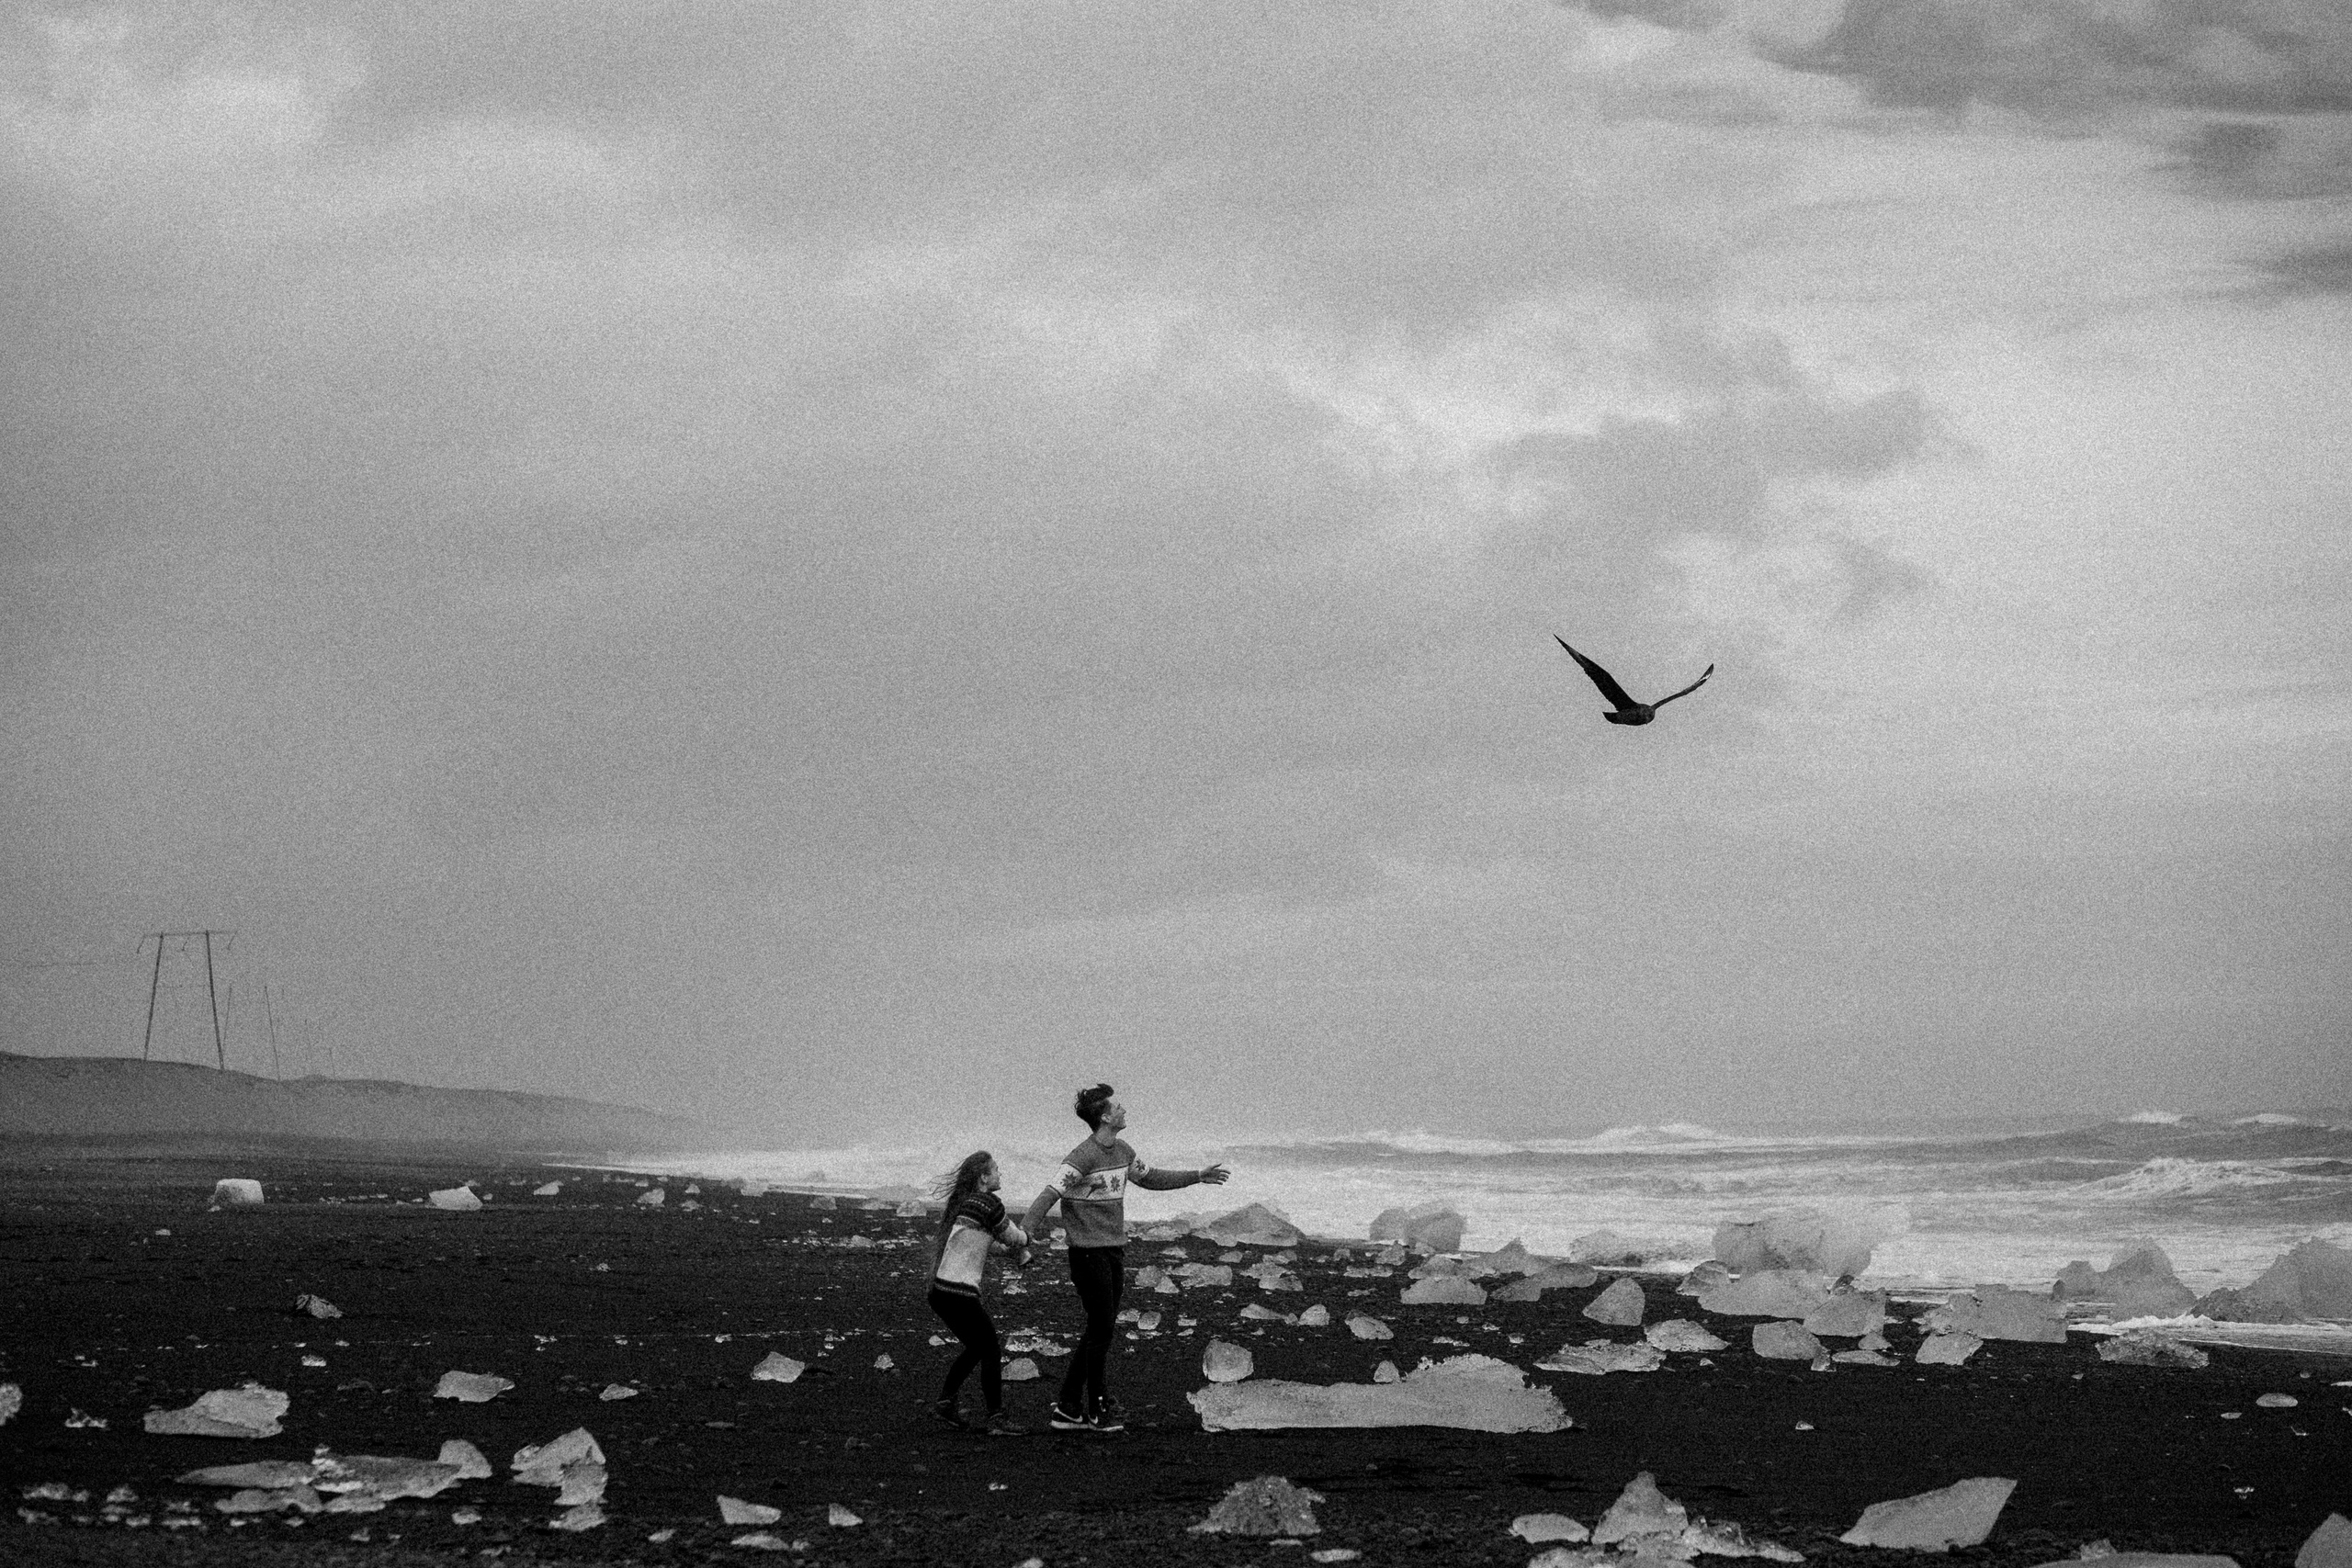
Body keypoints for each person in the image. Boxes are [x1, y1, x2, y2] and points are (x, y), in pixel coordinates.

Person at [1021, 1083, 1229, 1431]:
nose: (1123, 1110)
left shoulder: (1123, 1151)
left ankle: (1069, 1408)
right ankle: (1098, 1407)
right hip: (1087, 1254)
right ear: (1104, 1116)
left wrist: (1196, 1176)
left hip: (1114, 1249)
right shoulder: (1082, 1157)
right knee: (1101, 1329)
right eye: (1117, 1107)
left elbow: (1151, 1178)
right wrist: (1024, 1234)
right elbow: (1049, 1194)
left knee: (1099, 1329)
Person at [927, 1150, 1035, 1435]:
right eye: (996, 1170)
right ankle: (996, 1418)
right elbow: (1013, 1236)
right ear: (984, 1178)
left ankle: (946, 1402)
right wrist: (1028, 1237)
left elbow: (988, 1245)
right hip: (959, 1292)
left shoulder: (969, 1204)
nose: (1001, 1175)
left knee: (977, 1347)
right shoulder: (988, 1203)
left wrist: (1013, 1254)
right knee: (990, 1349)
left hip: (942, 1292)